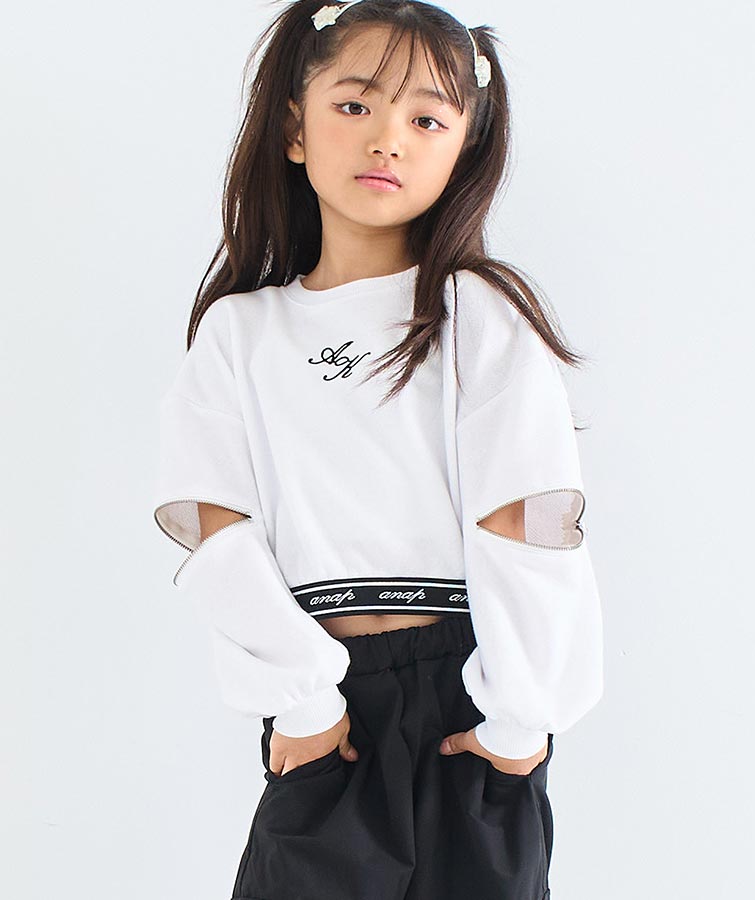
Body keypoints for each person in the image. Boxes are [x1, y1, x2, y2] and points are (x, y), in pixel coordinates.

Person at [151, 1, 604, 898]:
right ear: (295, 128)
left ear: (465, 148)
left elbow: (527, 518)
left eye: (426, 120)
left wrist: (520, 717)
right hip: (326, 703)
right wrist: (304, 699)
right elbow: (213, 524)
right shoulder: (242, 334)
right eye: (355, 105)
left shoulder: (476, 315)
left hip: (468, 695)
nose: (387, 139)